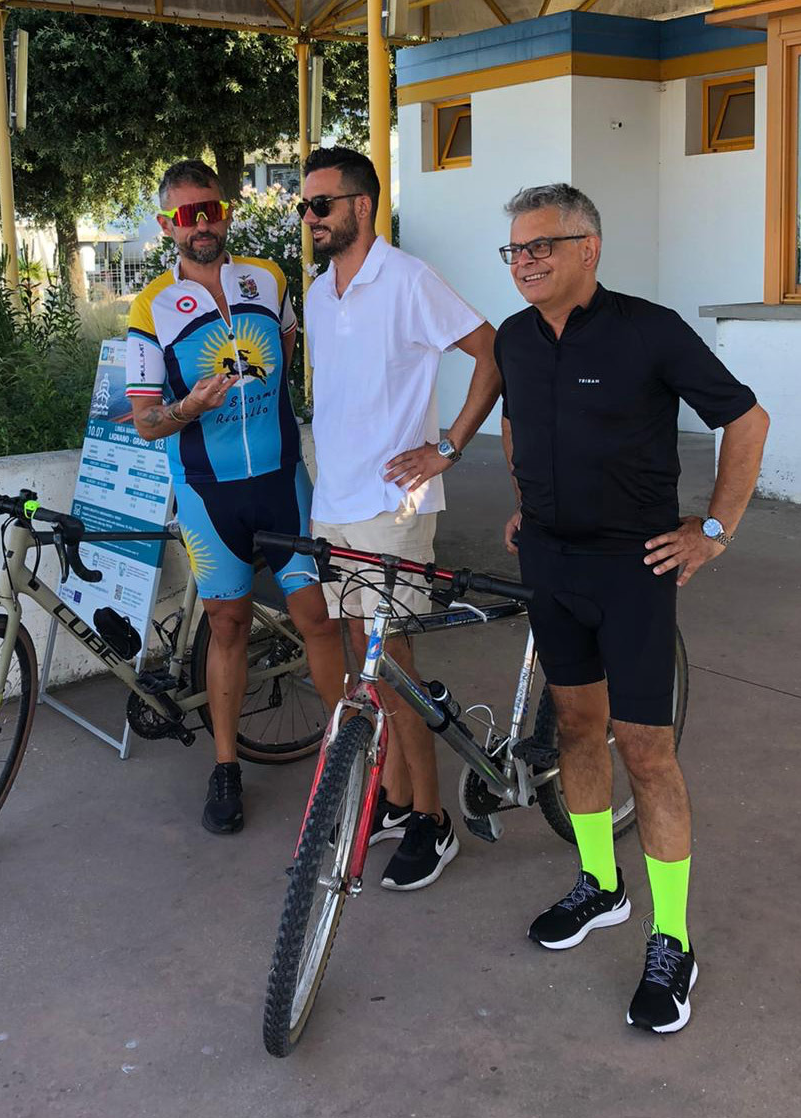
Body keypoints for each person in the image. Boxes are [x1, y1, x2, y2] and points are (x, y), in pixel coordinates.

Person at [495, 183, 769, 1033]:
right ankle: (598, 885)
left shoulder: (649, 330)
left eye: (543, 246)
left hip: (634, 563)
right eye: (515, 250)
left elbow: (746, 418)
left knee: (645, 751)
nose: (526, 261)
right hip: (551, 559)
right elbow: (515, 425)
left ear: (590, 250)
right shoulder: (513, 337)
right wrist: (528, 498)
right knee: (576, 728)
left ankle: (673, 938)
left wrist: (714, 529)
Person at [300, 146, 501, 890]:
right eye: (304, 206)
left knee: (394, 667)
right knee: (368, 662)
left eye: (323, 203)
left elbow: (490, 353)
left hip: (392, 507)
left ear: (362, 205)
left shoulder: (408, 279)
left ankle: (432, 820)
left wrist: (447, 448)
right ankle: (392, 799)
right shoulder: (321, 294)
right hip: (336, 504)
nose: (311, 217)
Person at [126, 160, 344, 835]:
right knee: (227, 626)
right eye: (187, 216)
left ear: (226, 212)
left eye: (212, 210)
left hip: (283, 481)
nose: (203, 225)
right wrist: (187, 405)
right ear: (167, 226)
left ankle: (346, 758)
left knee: (317, 616)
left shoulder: (270, 280)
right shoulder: (148, 308)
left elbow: (289, 355)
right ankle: (226, 767)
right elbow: (144, 422)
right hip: (207, 493)